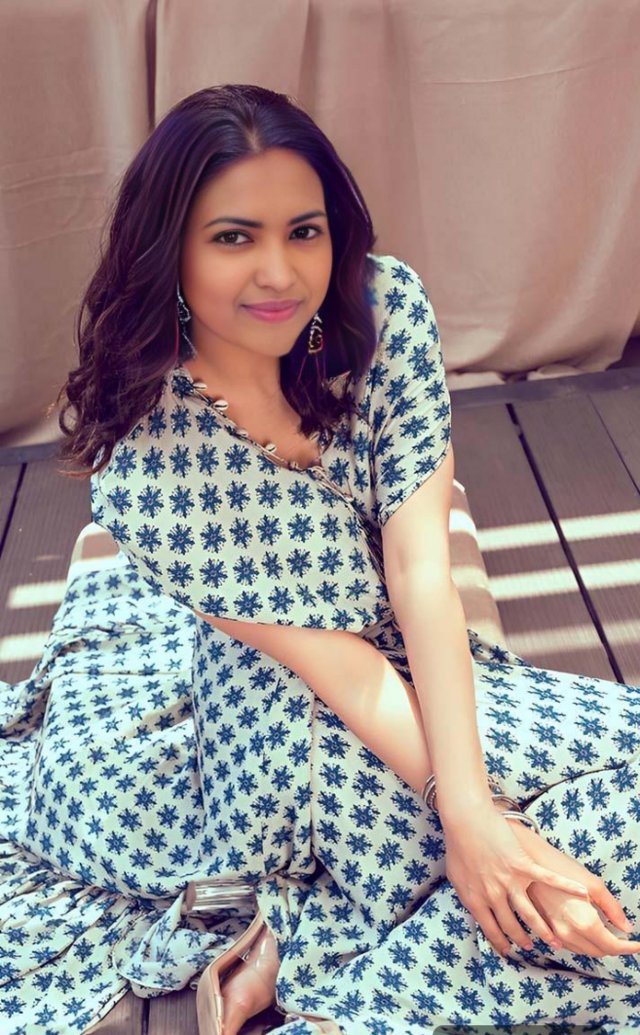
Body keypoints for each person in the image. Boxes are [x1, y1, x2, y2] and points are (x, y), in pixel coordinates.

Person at [1, 83, 640, 1035]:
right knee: (542, 878)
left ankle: (300, 949)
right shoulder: (151, 465)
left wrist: (474, 811)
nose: (280, 273)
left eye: (304, 231)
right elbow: (338, 670)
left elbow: (420, 570)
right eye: (233, 237)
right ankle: (326, 946)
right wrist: (470, 821)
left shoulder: (383, 313)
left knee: (560, 849)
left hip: (420, 670)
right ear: (168, 249)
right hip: (281, 730)